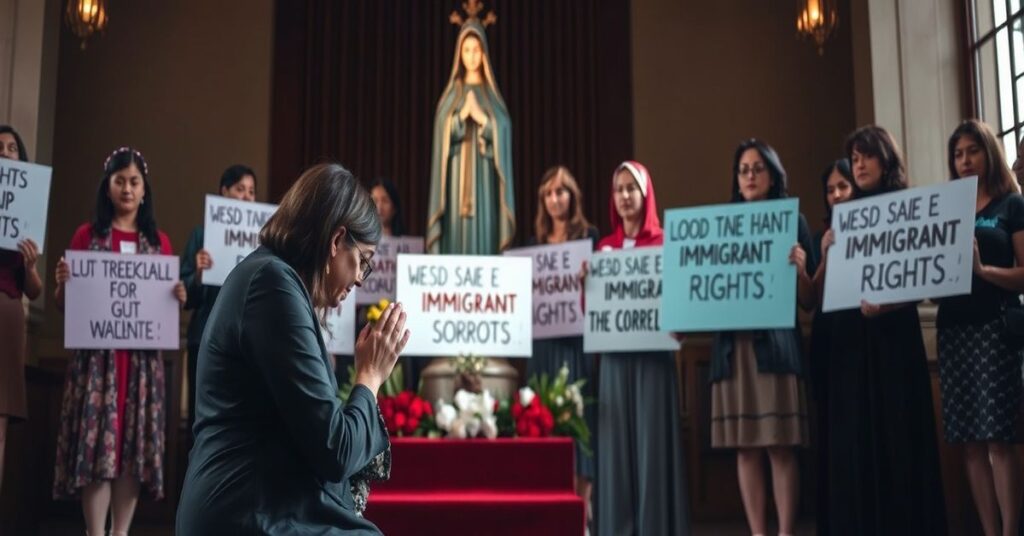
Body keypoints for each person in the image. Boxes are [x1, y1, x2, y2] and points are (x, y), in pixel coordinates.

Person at [177, 162, 409, 534]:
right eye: (361, 261)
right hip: (247, 509)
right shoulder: (273, 284)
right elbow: (336, 452)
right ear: (336, 241)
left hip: (265, 500)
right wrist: (370, 376)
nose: (360, 279)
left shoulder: (273, 277)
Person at [816, 126, 948, 535]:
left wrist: (889, 303)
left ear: (885, 159)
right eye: (853, 158)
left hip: (894, 339)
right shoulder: (844, 218)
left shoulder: (908, 206)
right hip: (854, 346)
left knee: (898, 437)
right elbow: (828, 292)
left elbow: (929, 279)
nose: (858, 165)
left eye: (865, 156)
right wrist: (827, 253)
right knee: (859, 440)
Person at [52, 147, 186, 536]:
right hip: (96, 364)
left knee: (132, 450)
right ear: (107, 187)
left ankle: (121, 531)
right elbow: (67, 307)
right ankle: (96, 532)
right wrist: (63, 285)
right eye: (119, 181)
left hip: (141, 365)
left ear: (144, 191)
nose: (127, 188)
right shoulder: (86, 236)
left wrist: (177, 296)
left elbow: (162, 311)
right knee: (97, 450)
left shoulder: (158, 242)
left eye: (134, 181)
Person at [709, 140, 815, 536]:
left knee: (779, 445)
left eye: (757, 168)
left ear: (773, 175)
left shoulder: (794, 221)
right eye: (743, 170)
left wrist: (803, 270)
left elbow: (809, 302)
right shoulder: (719, 226)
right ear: (737, 179)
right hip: (732, 349)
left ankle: (785, 533)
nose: (750, 175)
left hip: (775, 347)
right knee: (745, 446)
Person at [938, 119, 1024, 536]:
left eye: (972, 150)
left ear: (988, 152)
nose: (965, 160)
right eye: (957, 154)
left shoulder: (1011, 205)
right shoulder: (945, 207)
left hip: (995, 328)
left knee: (998, 440)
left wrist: (982, 270)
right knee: (970, 442)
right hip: (953, 329)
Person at [594, 161, 689, 536]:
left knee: (653, 449)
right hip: (615, 362)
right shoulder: (604, 248)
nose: (624, 196)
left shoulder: (665, 244)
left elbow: (680, 305)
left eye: (631, 188)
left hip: (653, 359)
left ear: (646, 194)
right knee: (615, 450)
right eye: (618, 190)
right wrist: (590, 282)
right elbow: (594, 315)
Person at [527, 165, 600, 526]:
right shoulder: (534, 246)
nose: (556, 199)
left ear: (573, 196)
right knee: (545, 424)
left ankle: (582, 517)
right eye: (549, 193)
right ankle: (551, 514)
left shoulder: (590, 238)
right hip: (541, 348)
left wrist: (591, 280)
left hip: (574, 345)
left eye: (562, 191)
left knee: (579, 425)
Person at [180, 164, 257, 438]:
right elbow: (184, 296)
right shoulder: (201, 236)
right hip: (204, 336)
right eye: (240, 189)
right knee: (201, 419)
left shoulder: (261, 241)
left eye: (251, 191)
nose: (247, 197)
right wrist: (198, 275)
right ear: (224, 192)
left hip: (245, 342)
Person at [426, 18, 515, 255]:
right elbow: (441, 132)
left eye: (476, 49)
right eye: (467, 50)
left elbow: (503, 129)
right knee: (455, 228)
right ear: (459, 54)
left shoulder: (491, 95)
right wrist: (459, 118)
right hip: (455, 178)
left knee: (486, 227)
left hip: (485, 178)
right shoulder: (452, 95)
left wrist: (484, 121)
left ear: (483, 52)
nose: (472, 56)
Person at [807, 158, 857, 536]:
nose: (837, 194)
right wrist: (824, 257)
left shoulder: (878, 218)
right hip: (829, 340)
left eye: (843, 186)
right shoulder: (821, 232)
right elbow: (811, 298)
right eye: (831, 189)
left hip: (863, 339)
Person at [0, 125, 42, 495]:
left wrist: (29, 266)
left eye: (12, 148)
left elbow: (35, 289)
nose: (5, 152)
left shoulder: (23, 219)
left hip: (7, 318)